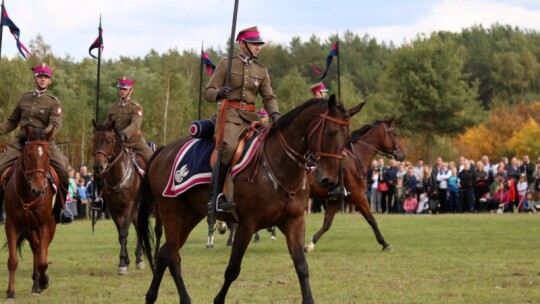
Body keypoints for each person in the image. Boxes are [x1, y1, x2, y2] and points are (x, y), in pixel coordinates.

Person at [204, 26, 279, 214]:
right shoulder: (226, 64)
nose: (258, 47)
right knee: (227, 147)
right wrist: (220, 93)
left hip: (252, 119)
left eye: (259, 44)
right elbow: (208, 92)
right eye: (254, 43)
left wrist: (275, 114)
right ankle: (215, 197)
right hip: (229, 116)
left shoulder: (261, 71)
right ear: (242, 43)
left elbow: (269, 97)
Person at [0, 64, 73, 224]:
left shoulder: (54, 102)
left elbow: (55, 124)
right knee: (0, 167)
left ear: (49, 81)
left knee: (63, 171)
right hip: (21, 142)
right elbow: (12, 121)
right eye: (40, 76)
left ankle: (60, 210)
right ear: (35, 78)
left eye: (46, 77)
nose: (42, 79)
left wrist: (41, 136)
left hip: (44, 143)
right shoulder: (23, 98)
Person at [94, 77, 154, 208]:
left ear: (131, 90)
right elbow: (108, 124)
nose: (122, 91)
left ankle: (153, 193)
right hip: (115, 143)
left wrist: (123, 134)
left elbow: (135, 124)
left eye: (124, 89)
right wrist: (100, 129)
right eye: (120, 88)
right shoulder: (112, 107)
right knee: (99, 163)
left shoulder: (136, 107)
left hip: (134, 142)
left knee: (153, 161)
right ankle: (100, 197)